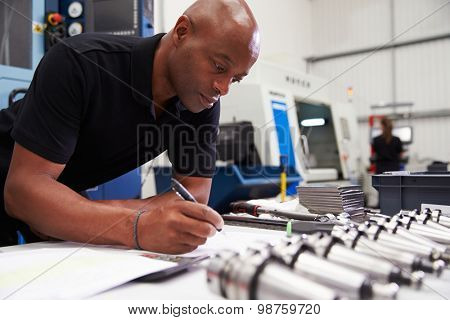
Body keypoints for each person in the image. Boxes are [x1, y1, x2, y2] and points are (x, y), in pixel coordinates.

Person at [0, 0, 260, 253]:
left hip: (56, 195)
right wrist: (136, 226)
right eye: (218, 67)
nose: (223, 88)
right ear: (182, 32)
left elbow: (193, 197)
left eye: (234, 79)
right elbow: (22, 191)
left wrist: (78, 211)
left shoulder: (202, 102)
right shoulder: (80, 61)